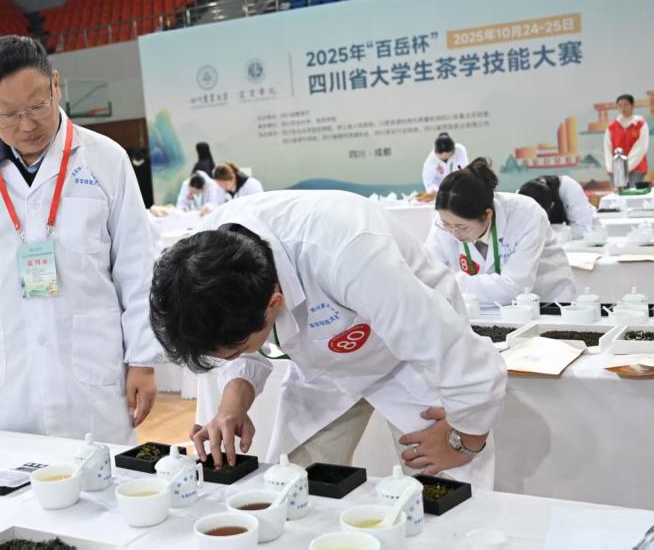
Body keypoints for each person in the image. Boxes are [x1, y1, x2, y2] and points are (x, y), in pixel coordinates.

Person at [150, 190, 506, 485]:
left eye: (235, 350)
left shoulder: (349, 254)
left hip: (410, 360)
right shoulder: (205, 258)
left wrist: (465, 439)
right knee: (289, 483)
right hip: (324, 366)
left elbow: (461, 358)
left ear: (274, 304)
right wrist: (232, 406)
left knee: (447, 491)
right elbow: (240, 335)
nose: (232, 357)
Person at [0, 35, 160, 445]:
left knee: (98, 472)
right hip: (6, 374)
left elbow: (136, 268)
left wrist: (142, 359)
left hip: (90, 371)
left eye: (37, 105)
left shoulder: (106, 159)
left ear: (56, 85)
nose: (26, 125)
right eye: (7, 114)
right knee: (6, 472)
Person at [426, 158, 575, 303]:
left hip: (545, 302)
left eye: (462, 227)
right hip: (482, 306)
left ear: (487, 215)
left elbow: (515, 286)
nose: (454, 233)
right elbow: (428, 270)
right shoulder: (448, 217)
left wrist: (452, 283)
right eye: (446, 225)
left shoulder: (526, 215)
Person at [518, 175, 597, 240]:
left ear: (552, 205)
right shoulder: (520, 199)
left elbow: (582, 229)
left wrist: (552, 236)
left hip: (584, 235)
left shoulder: (568, 188)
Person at [603, 94, 649, 185]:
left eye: (626, 105)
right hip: (616, 168)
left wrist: (627, 166)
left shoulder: (640, 125)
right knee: (618, 192)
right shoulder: (612, 127)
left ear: (632, 105)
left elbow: (641, 148)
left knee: (633, 191)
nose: (623, 108)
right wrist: (611, 167)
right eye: (620, 106)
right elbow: (607, 148)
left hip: (636, 168)